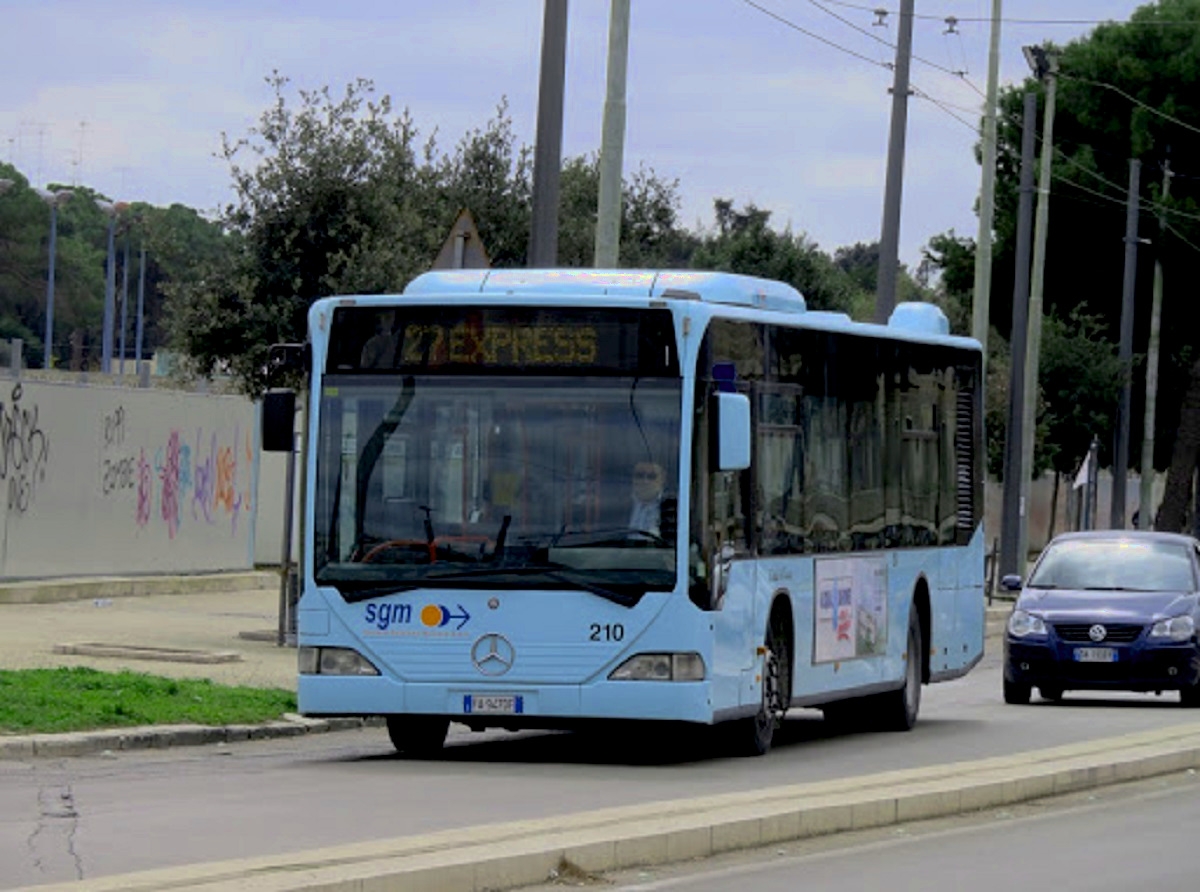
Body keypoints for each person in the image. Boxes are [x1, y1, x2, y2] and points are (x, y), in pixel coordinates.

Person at [628, 461, 665, 535]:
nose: (645, 481)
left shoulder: (671, 507)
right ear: (632, 479)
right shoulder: (621, 506)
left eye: (651, 476)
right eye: (640, 476)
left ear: (662, 479)